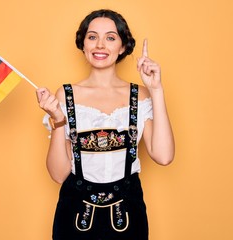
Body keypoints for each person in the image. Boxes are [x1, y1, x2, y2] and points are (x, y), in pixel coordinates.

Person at [36, 9, 174, 240]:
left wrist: (156, 89)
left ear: (122, 47)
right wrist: (58, 121)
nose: (100, 45)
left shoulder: (138, 95)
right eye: (92, 37)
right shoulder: (65, 95)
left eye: (110, 38)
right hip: (75, 216)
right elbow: (59, 175)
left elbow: (163, 156)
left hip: (128, 217)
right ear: (83, 44)